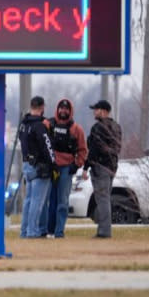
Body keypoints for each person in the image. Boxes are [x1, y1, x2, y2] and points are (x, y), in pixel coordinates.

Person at [40, 98, 88, 238]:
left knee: (63, 202)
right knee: (49, 200)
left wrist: (77, 164)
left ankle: (59, 232)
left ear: (70, 111)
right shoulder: (48, 124)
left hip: (66, 169)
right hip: (51, 168)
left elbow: (83, 150)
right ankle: (48, 230)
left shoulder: (76, 129)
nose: (63, 111)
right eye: (61, 108)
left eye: (66, 109)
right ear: (57, 109)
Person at [82, 99, 122, 239]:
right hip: (111, 167)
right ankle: (104, 230)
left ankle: (104, 232)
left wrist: (85, 167)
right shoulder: (116, 127)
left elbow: (93, 149)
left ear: (103, 111)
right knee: (106, 199)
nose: (94, 112)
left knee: (102, 200)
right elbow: (117, 148)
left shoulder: (98, 128)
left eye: (96, 109)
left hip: (100, 167)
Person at [18, 96, 56, 239]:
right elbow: (47, 146)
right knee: (37, 202)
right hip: (40, 167)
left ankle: (24, 231)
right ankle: (32, 231)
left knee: (28, 200)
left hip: (27, 164)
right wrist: (53, 165)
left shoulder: (24, 124)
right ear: (42, 107)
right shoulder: (40, 126)